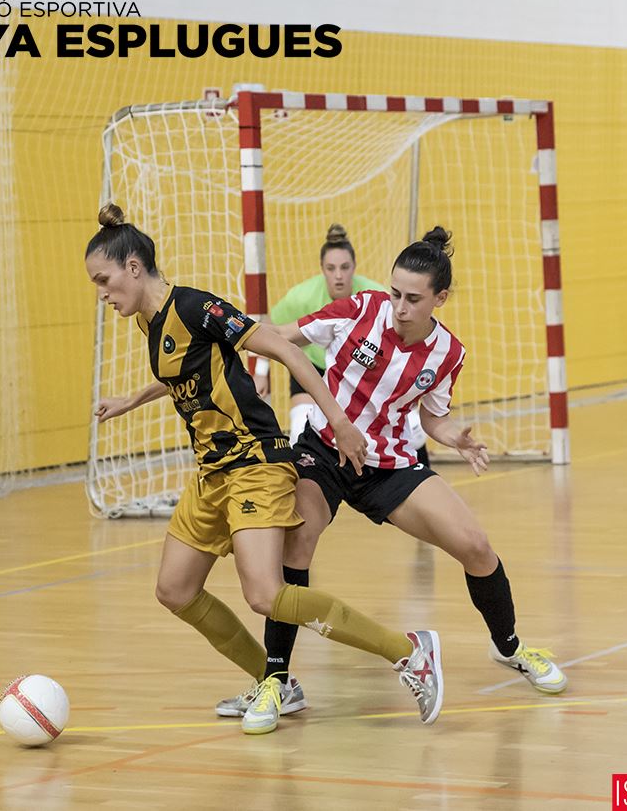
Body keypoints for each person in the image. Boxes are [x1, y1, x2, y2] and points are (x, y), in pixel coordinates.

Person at [87, 204, 445, 735]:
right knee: (175, 591)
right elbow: (187, 372)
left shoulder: (199, 307)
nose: (102, 292)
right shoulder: (148, 318)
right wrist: (132, 398)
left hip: (256, 461)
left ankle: (408, 653)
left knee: (264, 593)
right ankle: (276, 682)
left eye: (105, 279)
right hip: (212, 471)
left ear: (134, 267)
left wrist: (341, 423)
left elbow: (287, 352)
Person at [216, 227, 567, 720]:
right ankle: (278, 680)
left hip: (389, 466)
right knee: (298, 541)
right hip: (325, 452)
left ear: (439, 299)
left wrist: (453, 437)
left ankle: (509, 647)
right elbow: (283, 336)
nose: (399, 306)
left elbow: (430, 415)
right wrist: (228, 335)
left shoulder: (448, 354)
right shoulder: (361, 309)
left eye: (413, 298)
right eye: (395, 293)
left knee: (475, 545)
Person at [254, 224, 432, 466]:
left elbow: (404, 342)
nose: (338, 275)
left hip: (364, 373)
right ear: (322, 270)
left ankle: (415, 476)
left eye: (344, 268)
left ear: (354, 268)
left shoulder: (377, 298)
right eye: (331, 268)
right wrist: (261, 371)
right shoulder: (302, 296)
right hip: (314, 370)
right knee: (298, 430)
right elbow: (272, 329)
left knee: (414, 429)